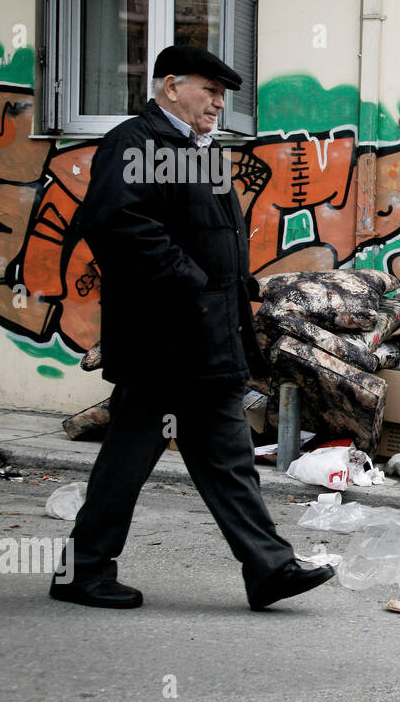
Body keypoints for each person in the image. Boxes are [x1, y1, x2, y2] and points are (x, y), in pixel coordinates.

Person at [50, 45, 333, 610]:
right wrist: (191, 280)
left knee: (225, 457)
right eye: (210, 91)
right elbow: (118, 226)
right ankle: (82, 572)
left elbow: (213, 232)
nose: (219, 104)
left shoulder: (198, 153)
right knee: (129, 456)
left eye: (223, 95)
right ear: (171, 86)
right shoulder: (134, 143)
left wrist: (240, 285)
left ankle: (269, 568)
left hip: (206, 336)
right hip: (163, 340)